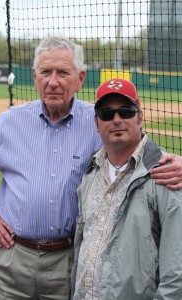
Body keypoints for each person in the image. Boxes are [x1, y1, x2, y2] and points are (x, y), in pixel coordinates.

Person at [0, 37, 181, 300]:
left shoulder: (99, 119)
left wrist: (177, 161)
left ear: (80, 78)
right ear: (34, 76)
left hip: (69, 261)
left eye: (63, 72)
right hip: (14, 259)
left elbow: (137, 145)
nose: (53, 81)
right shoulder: (8, 124)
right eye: (45, 72)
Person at [71, 78, 182, 299]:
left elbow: (176, 273)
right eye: (106, 114)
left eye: (126, 111)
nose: (117, 120)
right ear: (96, 122)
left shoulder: (166, 175)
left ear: (140, 117)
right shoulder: (91, 174)